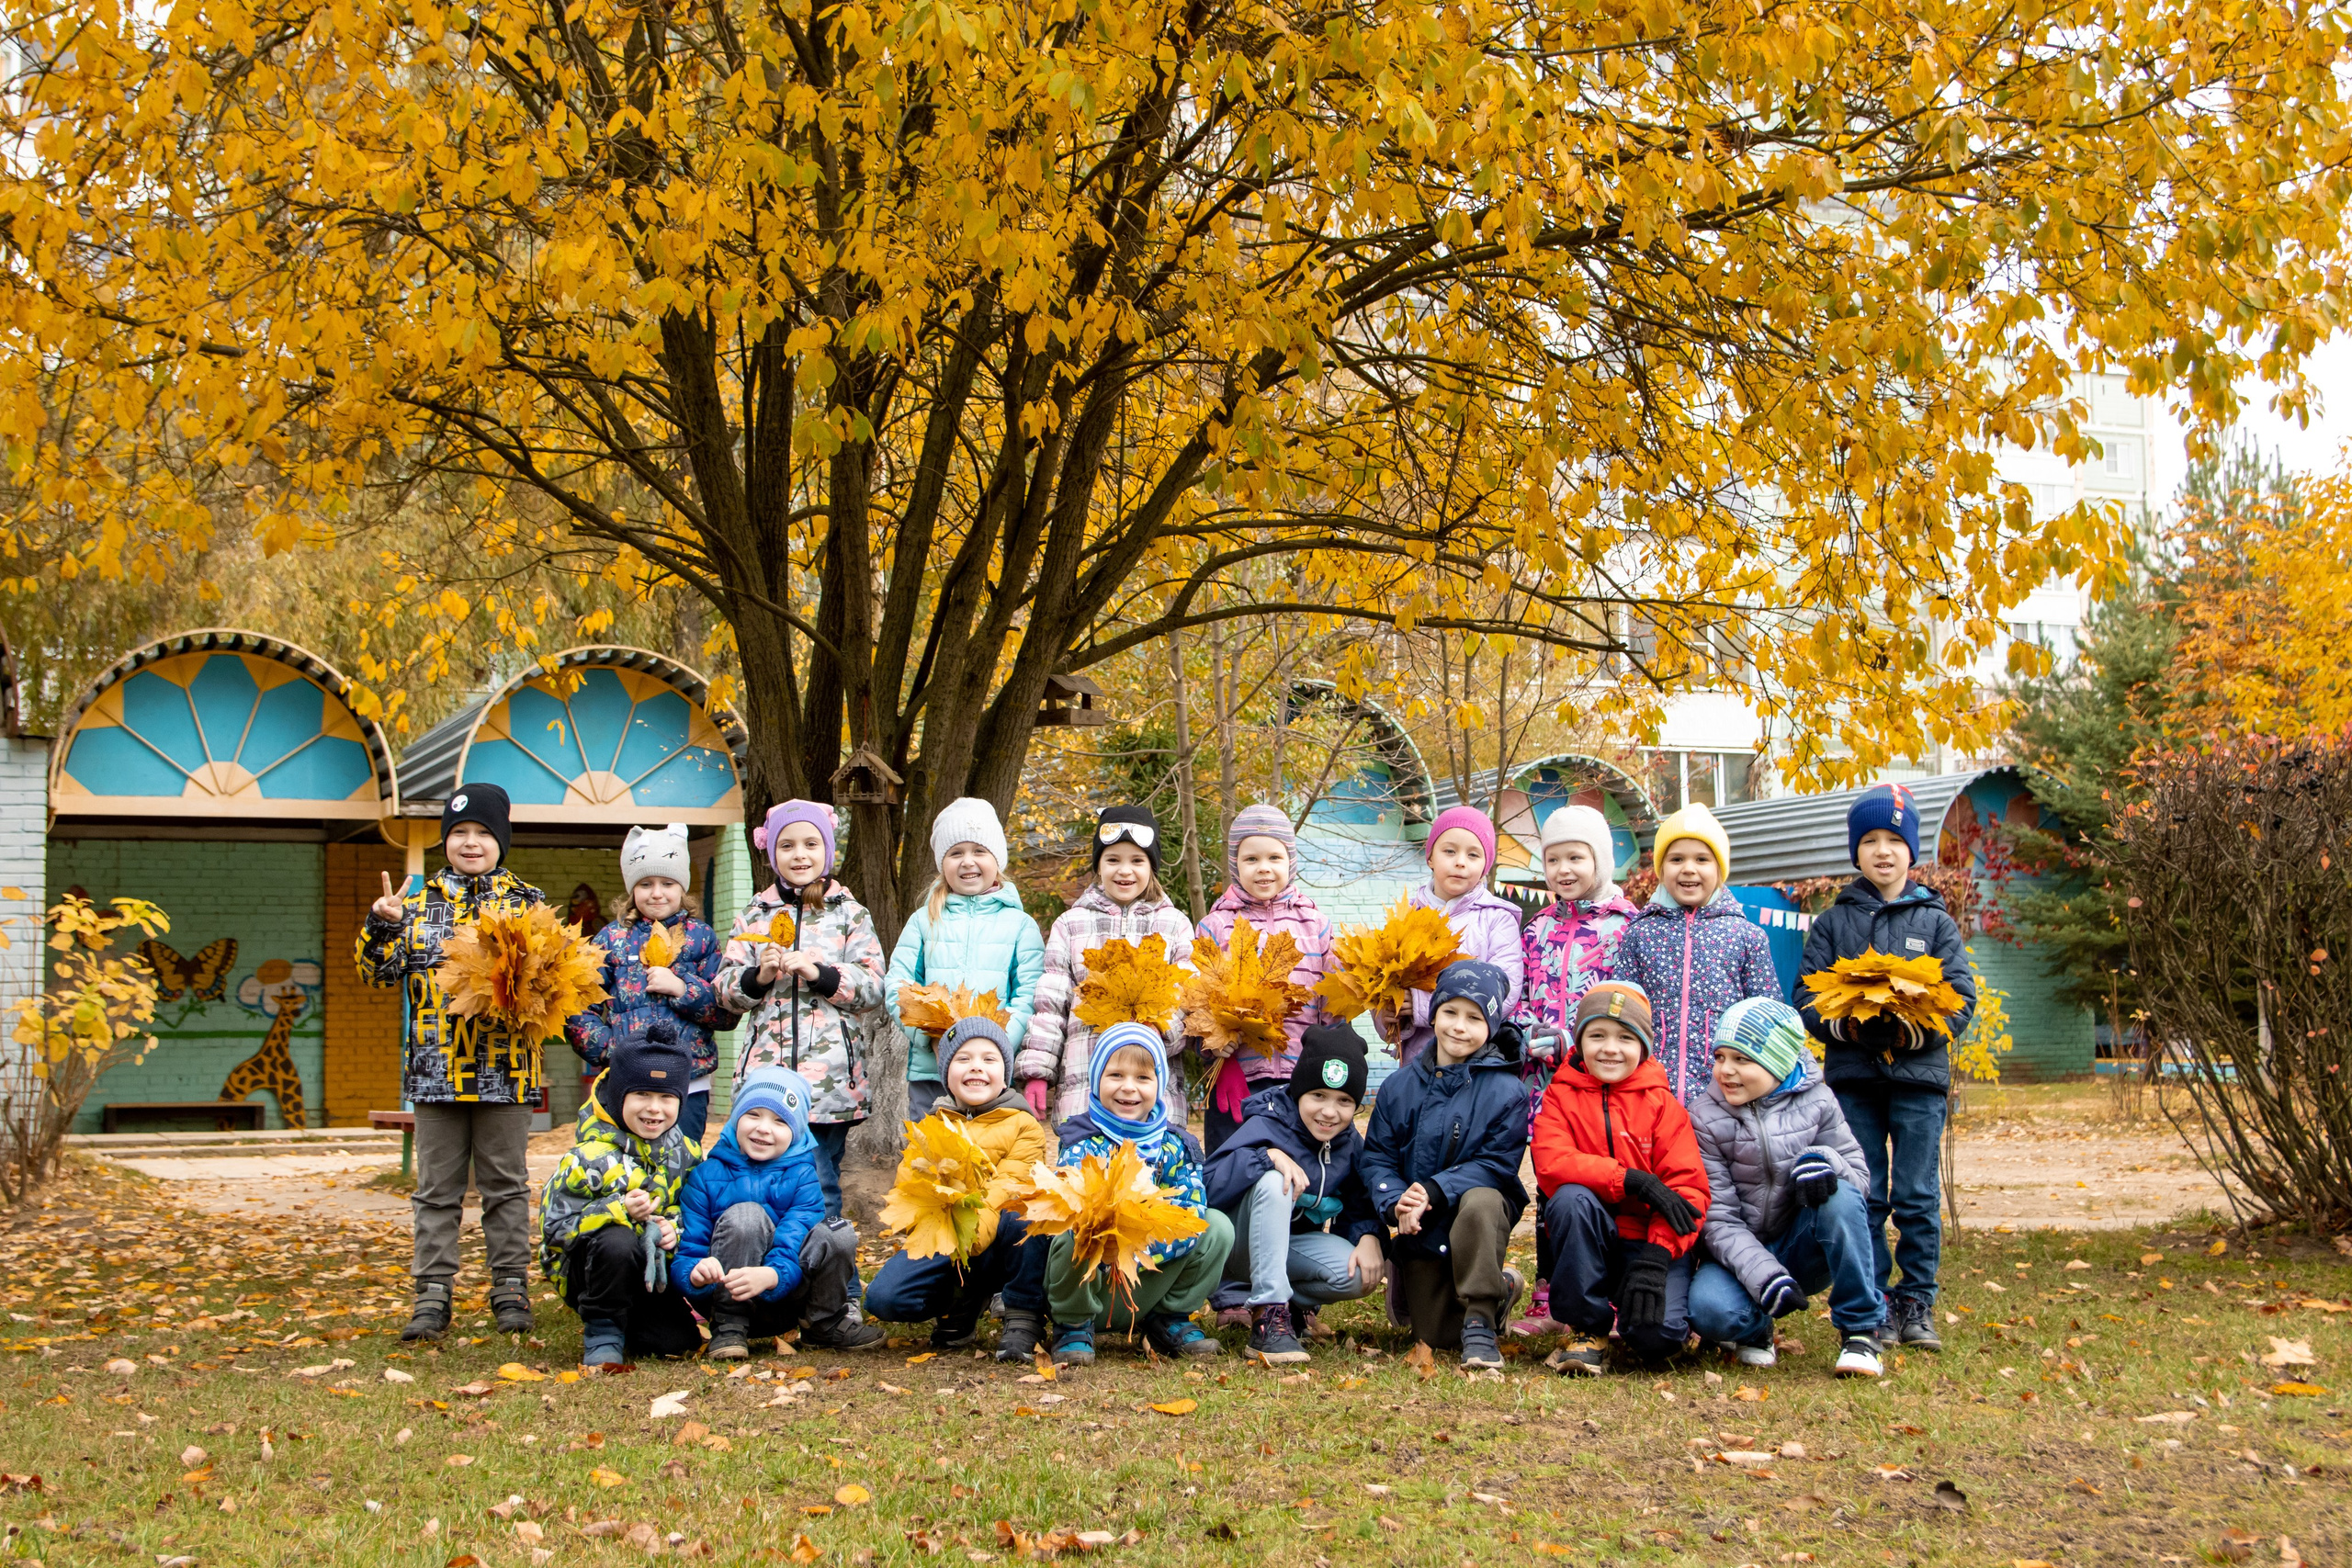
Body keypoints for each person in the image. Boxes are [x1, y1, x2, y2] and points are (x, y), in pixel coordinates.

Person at [358, 783, 547, 1342]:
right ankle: (432, 1295)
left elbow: (552, 982)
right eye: (460, 833)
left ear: (501, 842)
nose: (470, 843)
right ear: (445, 840)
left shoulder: (530, 904)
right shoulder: (412, 905)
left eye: (483, 833)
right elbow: (375, 975)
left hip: (507, 1073)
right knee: (435, 1190)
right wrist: (380, 925)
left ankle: (511, 1288)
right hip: (435, 1073)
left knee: (506, 1187)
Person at [1796, 784, 1976, 1352]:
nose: (1882, 851)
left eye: (1894, 840)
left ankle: (1916, 1300)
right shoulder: (1832, 923)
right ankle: (1871, 1301)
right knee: (1866, 1192)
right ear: (1856, 852)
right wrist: (1846, 1025)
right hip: (1855, 1082)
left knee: (1918, 1195)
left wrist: (1918, 1028)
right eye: (1870, 840)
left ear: (1911, 851)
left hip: (1919, 1082)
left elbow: (1962, 996)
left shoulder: (1936, 921)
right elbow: (1806, 995)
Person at [1688, 998, 1885, 1378]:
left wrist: (1828, 1162)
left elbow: (1861, 1183)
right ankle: (1756, 1328)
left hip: (1801, 1244)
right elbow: (1719, 1219)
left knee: (1840, 1194)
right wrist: (1765, 1277)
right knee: (1708, 1311)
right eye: (1720, 1057)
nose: (1725, 1071)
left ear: (1778, 1062)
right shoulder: (1704, 1116)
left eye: (1742, 1060)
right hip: (1737, 1251)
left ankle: (1861, 1332)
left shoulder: (1819, 1101)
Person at [714, 800, 888, 1223]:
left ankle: (833, 1282)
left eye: (811, 844)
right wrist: (758, 976)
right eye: (787, 845)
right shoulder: (755, 914)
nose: (799, 855)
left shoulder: (850, 914)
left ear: (826, 851)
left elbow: (873, 987)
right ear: (772, 853)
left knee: (820, 1180)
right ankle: (773, 1270)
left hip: (828, 1085)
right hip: (766, 1080)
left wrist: (820, 973)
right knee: (763, 1178)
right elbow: (723, 987)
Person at [1530, 982, 1709, 1373]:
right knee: (1569, 1199)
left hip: (1646, 1242)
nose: (1610, 1048)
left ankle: (1662, 1311)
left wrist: (1657, 1257)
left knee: (1656, 1339)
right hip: (1591, 1236)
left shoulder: (1663, 1104)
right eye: (1597, 1036)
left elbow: (1688, 1189)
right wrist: (1631, 1180)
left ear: (1643, 1046)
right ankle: (1587, 1326)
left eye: (1625, 1038)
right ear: (1579, 1042)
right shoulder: (1561, 1095)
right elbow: (1552, 1162)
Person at [1361, 960, 1529, 1370]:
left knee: (1481, 1200)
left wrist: (1433, 1190)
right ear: (1433, 1014)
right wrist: (1396, 1201)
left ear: (1490, 1026)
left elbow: (1495, 1164)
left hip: (1477, 1218)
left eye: (1474, 1017)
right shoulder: (1398, 1086)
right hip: (1423, 1224)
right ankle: (1501, 1288)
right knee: (1434, 1336)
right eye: (1450, 1012)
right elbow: (1378, 1157)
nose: (1459, 1026)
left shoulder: (1509, 1091)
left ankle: (1481, 1318)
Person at [1511, 802, 1640, 1334]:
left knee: (1602, 1181)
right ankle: (1550, 1295)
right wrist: (1524, 1032)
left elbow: (1630, 1001)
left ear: (1600, 859)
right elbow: (1519, 995)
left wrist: (1578, 1041)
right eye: (1553, 860)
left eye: (1576, 858)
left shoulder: (1625, 925)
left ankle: (1606, 1291)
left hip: (1602, 1078)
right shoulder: (1538, 926)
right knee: (1551, 1181)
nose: (1564, 870)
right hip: (1546, 1083)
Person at [864, 1018, 1056, 1359]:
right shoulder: (930, 1127)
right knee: (885, 1298)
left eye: (989, 1059)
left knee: (1022, 1214)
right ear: (946, 1072)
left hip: (995, 1240)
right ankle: (962, 1300)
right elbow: (910, 1191)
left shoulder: (1023, 1126)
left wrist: (968, 1239)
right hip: (945, 1237)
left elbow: (1007, 1187)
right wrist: (942, 1239)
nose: (976, 1068)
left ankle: (1022, 1313)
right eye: (963, 1059)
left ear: (1005, 1072)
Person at [1043, 1022, 1233, 1365]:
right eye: (1115, 1075)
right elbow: (1068, 1211)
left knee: (1216, 1226)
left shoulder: (1176, 1145)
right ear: (1097, 1080)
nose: (1128, 1088)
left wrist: (1136, 1247)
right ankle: (1073, 1325)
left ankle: (1168, 1320)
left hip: (1149, 1282)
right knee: (1074, 1235)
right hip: (1095, 1282)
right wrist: (1110, 1245)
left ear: (1159, 1084)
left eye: (1143, 1078)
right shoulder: (1081, 1142)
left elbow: (1190, 1213)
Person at [1203, 1023, 1385, 1363]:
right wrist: (1265, 1157)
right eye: (1318, 1095)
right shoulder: (1267, 1123)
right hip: (1237, 1249)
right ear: (1298, 1090)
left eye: (1344, 1101)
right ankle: (1268, 1317)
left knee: (1357, 1274)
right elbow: (1208, 1184)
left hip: (1286, 1252)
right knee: (1276, 1181)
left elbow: (1362, 1201)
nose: (1329, 1112)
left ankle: (1292, 1307)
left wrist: (1370, 1236)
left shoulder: (1347, 1144)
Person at [672, 1066, 882, 1357]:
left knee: (837, 1233)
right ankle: (730, 1328)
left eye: (780, 1121)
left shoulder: (803, 1177)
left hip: (785, 1297)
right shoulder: (706, 1175)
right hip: (725, 1296)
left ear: (795, 1133)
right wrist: (695, 1274)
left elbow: (794, 1238)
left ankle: (823, 1323)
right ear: (735, 1120)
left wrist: (772, 1274)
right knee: (747, 1216)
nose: (763, 1128)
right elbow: (689, 1248)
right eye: (753, 1115)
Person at [1016, 806, 1196, 1133]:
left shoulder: (1174, 925)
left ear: (1152, 867)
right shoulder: (1070, 925)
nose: (1124, 871)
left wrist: (1159, 1029)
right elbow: (1050, 1007)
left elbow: (1186, 997)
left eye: (1137, 860)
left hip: (1153, 1093)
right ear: (1098, 864)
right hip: (1084, 1088)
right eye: (1113, 860)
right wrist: (1037, 1071)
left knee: (1150, 1181)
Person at [539, 1032, 703, 1367]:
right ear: (619, 1095)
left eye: (666, 1097)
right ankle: (602, 1328)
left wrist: (674, 1229)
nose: (654, 1108)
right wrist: (617, 1210)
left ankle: (630, 1321)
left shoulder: (687, 1154)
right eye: (642, 1094)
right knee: (618, 1240)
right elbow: (554, 1229)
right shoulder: (586, 1157)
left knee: (676, 1343)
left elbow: (697, 1213)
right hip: (590, 1270)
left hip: (651, 1275)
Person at [566, 823, 734, 1144]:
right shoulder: (611, 939)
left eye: (667, 883)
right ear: (632, 890)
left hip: (688, 1082)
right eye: (645, 883)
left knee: (681, 1166)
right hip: (627, 1084)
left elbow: (726, 1012)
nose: (657, 893)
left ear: (682, 888)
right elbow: (577, 1007)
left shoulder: (701, 938)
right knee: (627, 1168)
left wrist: (683, 989)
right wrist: (612, 1051)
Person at [885, 798, 1045, 1121]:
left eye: (979, 851)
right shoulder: (923, 920)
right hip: (932, 1073)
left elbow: (1028, 995)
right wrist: (929, 1034)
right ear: (942, 863)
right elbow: (898, 983)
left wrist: (997, 1048)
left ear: (996, 860)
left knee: (990, 1159)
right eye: (956, 853)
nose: (968, 862)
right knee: (932, 1160)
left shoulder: (1020, 925)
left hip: (991, 1075)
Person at [1193, 803, 1337, 1155]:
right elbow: (1197, 1000)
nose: (1264, 869)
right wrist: (1212, 1048)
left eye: (1275, 857)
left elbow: (1332, 1006)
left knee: (1296, 1171)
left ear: (1291, 861)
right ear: (1234, 865)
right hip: (1236, 1074)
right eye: (1251, 859)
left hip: (1301, 1077)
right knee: (1234, 1166)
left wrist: (1329, 1062)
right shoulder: (1216, 926)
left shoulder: (1316, 925)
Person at [1612, 802, 1780, 1104]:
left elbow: (1767, 1016)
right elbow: (1621, 1008)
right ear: (1662, 870)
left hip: (1723, 1093)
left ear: (1720, 870)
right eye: (1677, 859)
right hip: (1650, 1090)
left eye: (1702, 859)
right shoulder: (1640, 934)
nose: (1689, 868)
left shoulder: (1746, 936)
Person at [1386, 807, 1524, 1065]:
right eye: (1449, 851)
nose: (1460, 861)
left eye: (1473, 855)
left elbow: (1505, 991)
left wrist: (1421, 1004)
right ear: (1430, 858)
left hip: (1473, 1062)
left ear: (1485, 867)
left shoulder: (1496, 918)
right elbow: (1389, 985)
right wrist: (1389, 1015)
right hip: (1417, 1061)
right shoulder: (1407, 916)